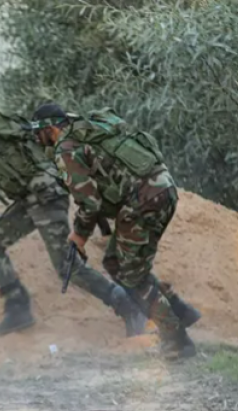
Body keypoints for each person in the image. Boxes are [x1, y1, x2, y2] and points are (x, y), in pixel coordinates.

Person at [0, 99, 148, 337]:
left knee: (67, 267)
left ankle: (128, 305)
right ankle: (18, 308)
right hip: (34, 196)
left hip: (44, 197)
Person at [31, 103, 201, 360]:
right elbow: (103, 185)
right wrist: (106, 229)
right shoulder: (87, 130)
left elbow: (90, 202)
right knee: (116, 263)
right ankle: (181, 311)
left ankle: (177, 340)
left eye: (38, 131)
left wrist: (79, 236)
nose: (36, 138)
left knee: (130, 275)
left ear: (51, 128)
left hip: (143, 201)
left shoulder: (66, 149)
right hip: (163, 189)